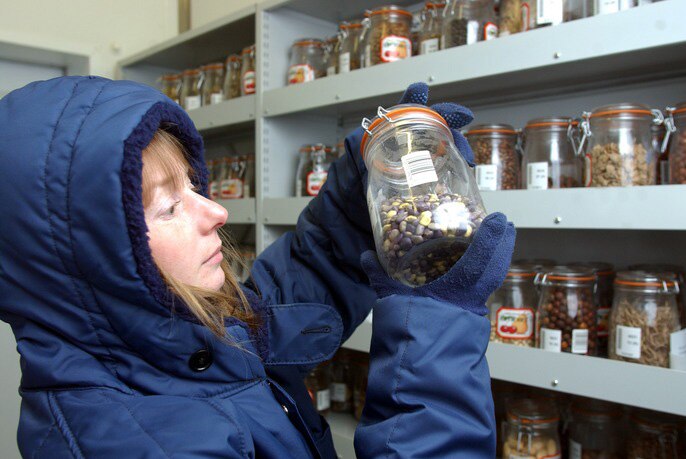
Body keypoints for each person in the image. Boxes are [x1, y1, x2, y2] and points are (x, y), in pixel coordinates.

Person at [0, 76, 515, 458]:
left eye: (192, 186)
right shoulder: (135, 445)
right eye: (168, 206)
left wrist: (360, 200)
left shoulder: (181, 333)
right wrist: (434, 330)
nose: (216, 212)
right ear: (91, 261)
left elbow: (283, 304)